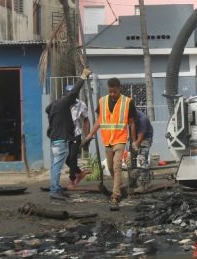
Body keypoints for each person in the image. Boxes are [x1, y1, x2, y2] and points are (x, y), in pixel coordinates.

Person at [83, 77, 136, 211]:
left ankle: (115, 196)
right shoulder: (102, 101)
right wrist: (90, 135)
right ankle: (120, 186)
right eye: (110, 91)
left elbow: (131, 123)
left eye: (115, 91)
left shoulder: (127, 102)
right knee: (111, 168)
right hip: (107, 140)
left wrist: (134, 141)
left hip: (120, 139)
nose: (112, 94)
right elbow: (100, 121)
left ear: (119, 89)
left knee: (117, 166)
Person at [44, 67, 91, 201]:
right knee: (57, 167)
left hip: (56, 138)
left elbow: (48, 110)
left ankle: (57, 188)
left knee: (56, 165)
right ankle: (54, 190)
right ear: (67, 95)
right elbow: (74, 91)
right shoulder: (65, 103)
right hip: (60, 139)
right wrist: (83, 76)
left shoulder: (55, 104)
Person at [66, 84, 91, 187]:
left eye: (73, 93)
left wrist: (87, 135)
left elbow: (86, 119)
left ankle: (72, 180)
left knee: (72, 157)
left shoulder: (81, 105)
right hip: (65, 134)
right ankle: (80, 173)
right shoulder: (63, 103)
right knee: (66, 159)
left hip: (76, 134)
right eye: (69, 93)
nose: (71, 95)